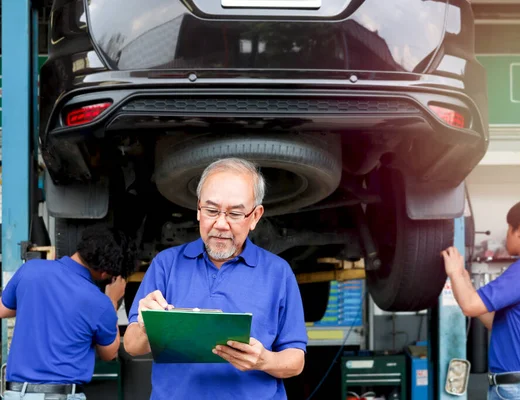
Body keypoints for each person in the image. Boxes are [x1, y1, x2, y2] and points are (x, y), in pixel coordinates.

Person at [123, 157, 307, 400]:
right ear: (198, 210)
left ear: (254, 217)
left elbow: (296, 360)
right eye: (211, 210)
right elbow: (132, 346)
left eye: (235, 213)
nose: (221, 224)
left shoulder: (278, 273)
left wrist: (264, 360)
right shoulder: (166, 265)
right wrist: (147, 326)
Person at [442, 195, 520, 400]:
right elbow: (494, 321)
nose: (506, 235)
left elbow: (470, 307)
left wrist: (454, 272)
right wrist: (463, 279)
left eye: (509, 227)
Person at [0, 225, 137, 400]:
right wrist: (112, 299)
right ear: (105, 273)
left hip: (16, 395)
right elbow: (109, 353)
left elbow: (3, 309)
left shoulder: (30, 269)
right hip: (61, 395)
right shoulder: (100, 303)